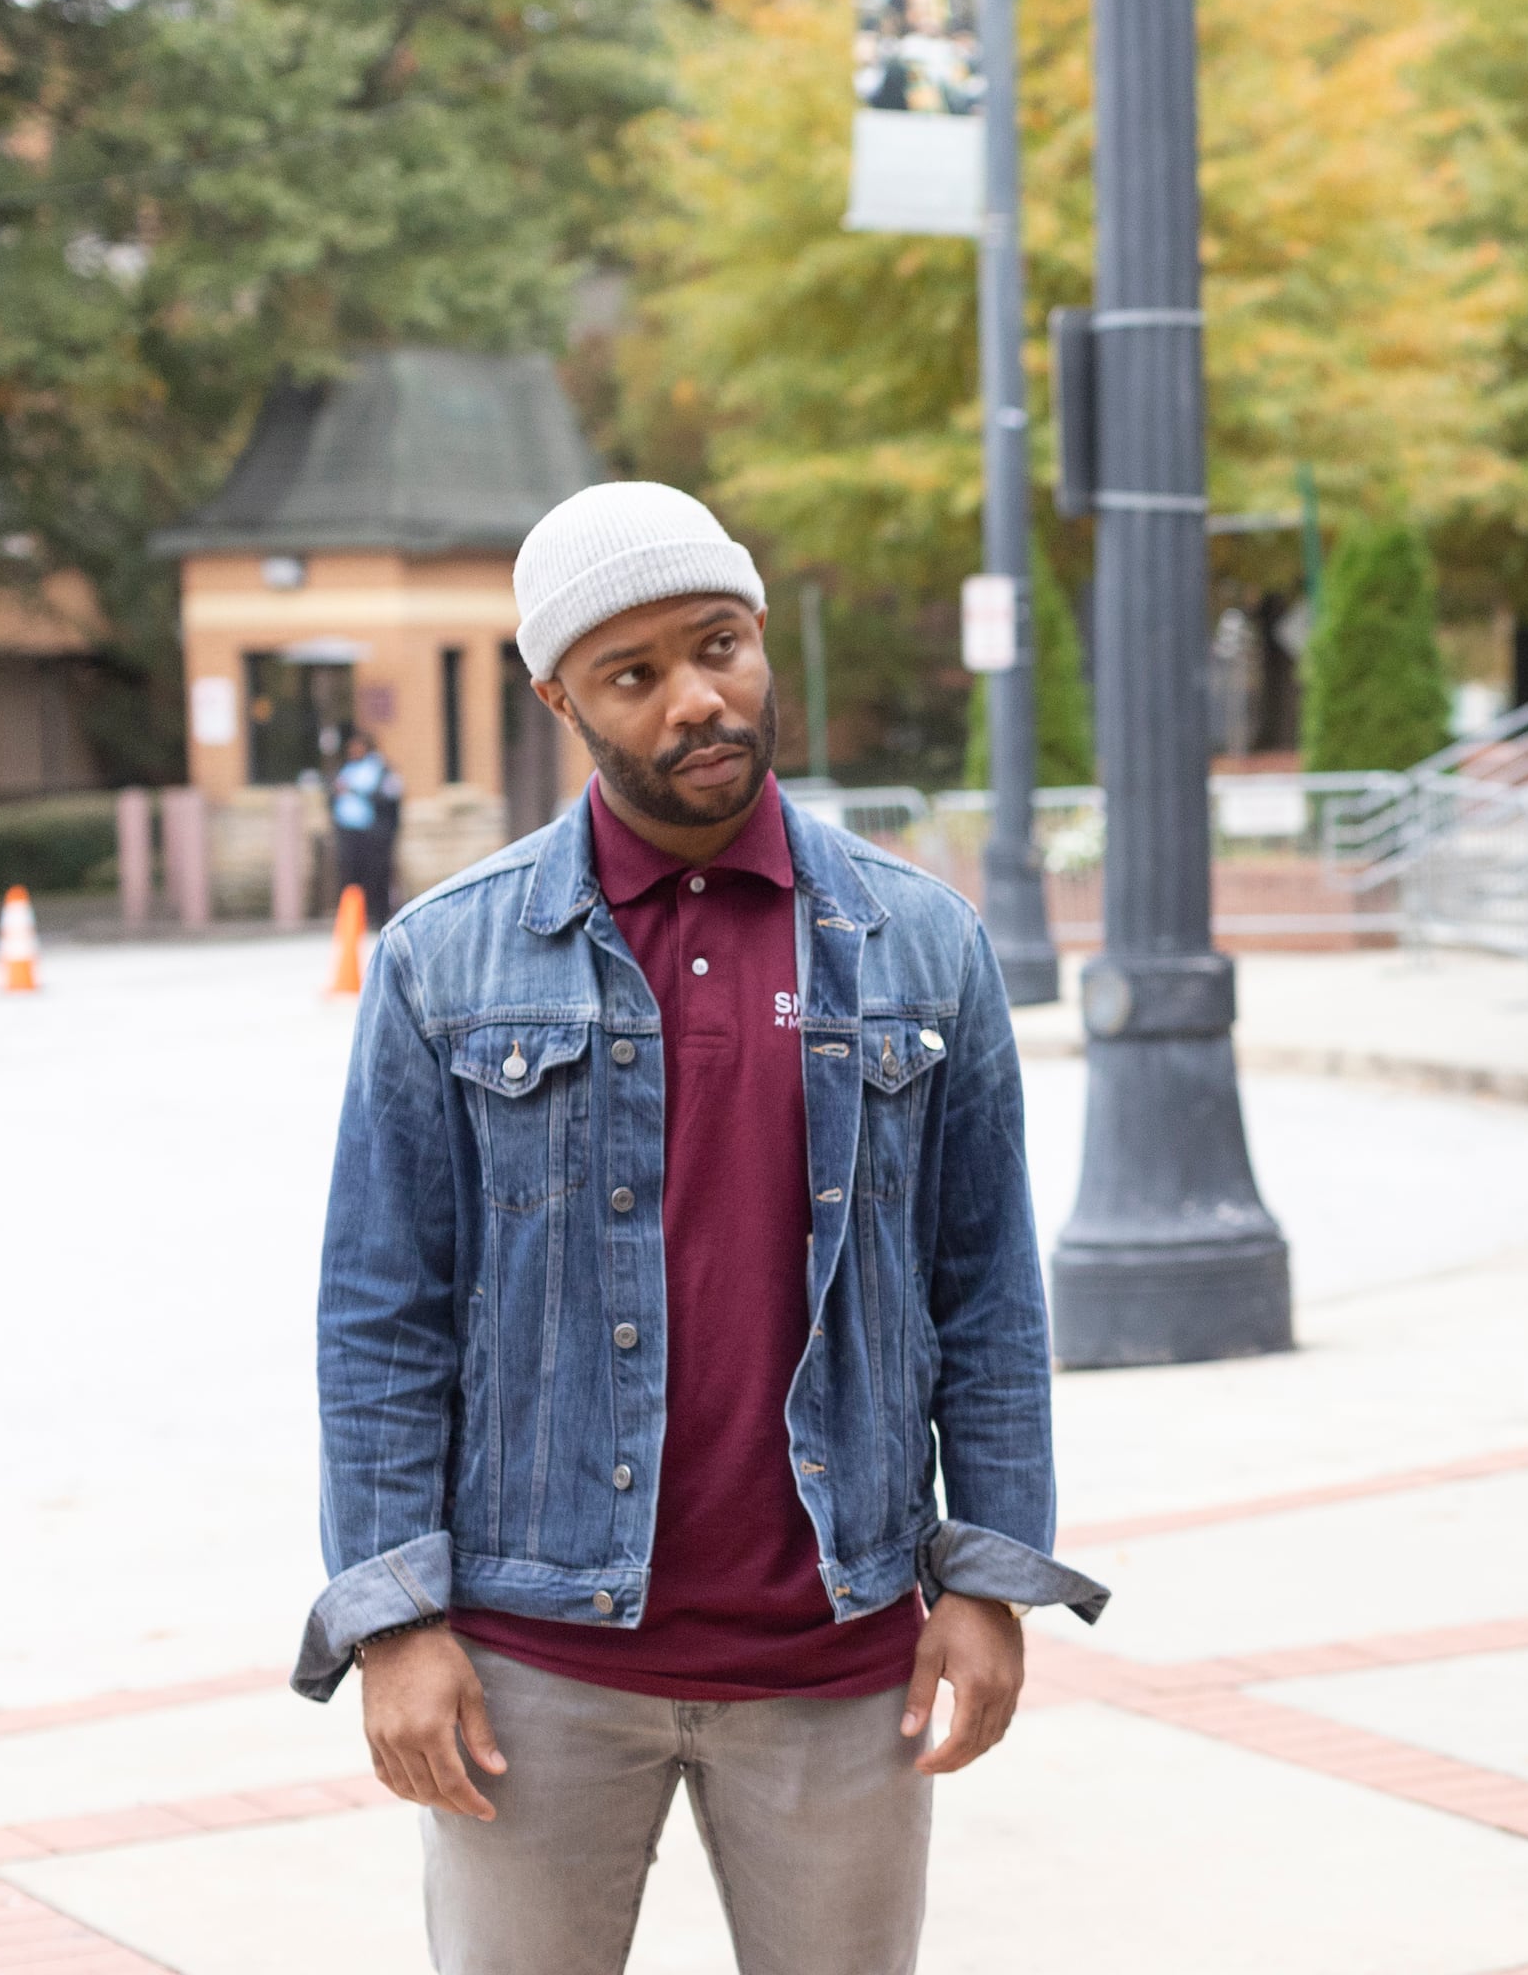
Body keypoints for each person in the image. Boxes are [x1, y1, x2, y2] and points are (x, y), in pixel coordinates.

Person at [300, 480, 1106, 1975]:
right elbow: (382, 1316)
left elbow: (986, 1289)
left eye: (721, 646)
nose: (698, 699)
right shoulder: (442, 961)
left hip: (835, 1651)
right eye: (636, 674)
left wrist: (994, 1576)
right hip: (532, 1657)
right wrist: (390, 1620)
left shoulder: (920, 944)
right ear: (561, 697)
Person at [332, 729, 405, 925]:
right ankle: (353, 918)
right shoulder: (347, 768)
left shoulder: (380, 769)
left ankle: (378, 916)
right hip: (350, 832)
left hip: (374, 835)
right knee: (352, 877)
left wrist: (354, 790)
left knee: (376, 876)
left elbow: (388, 797)